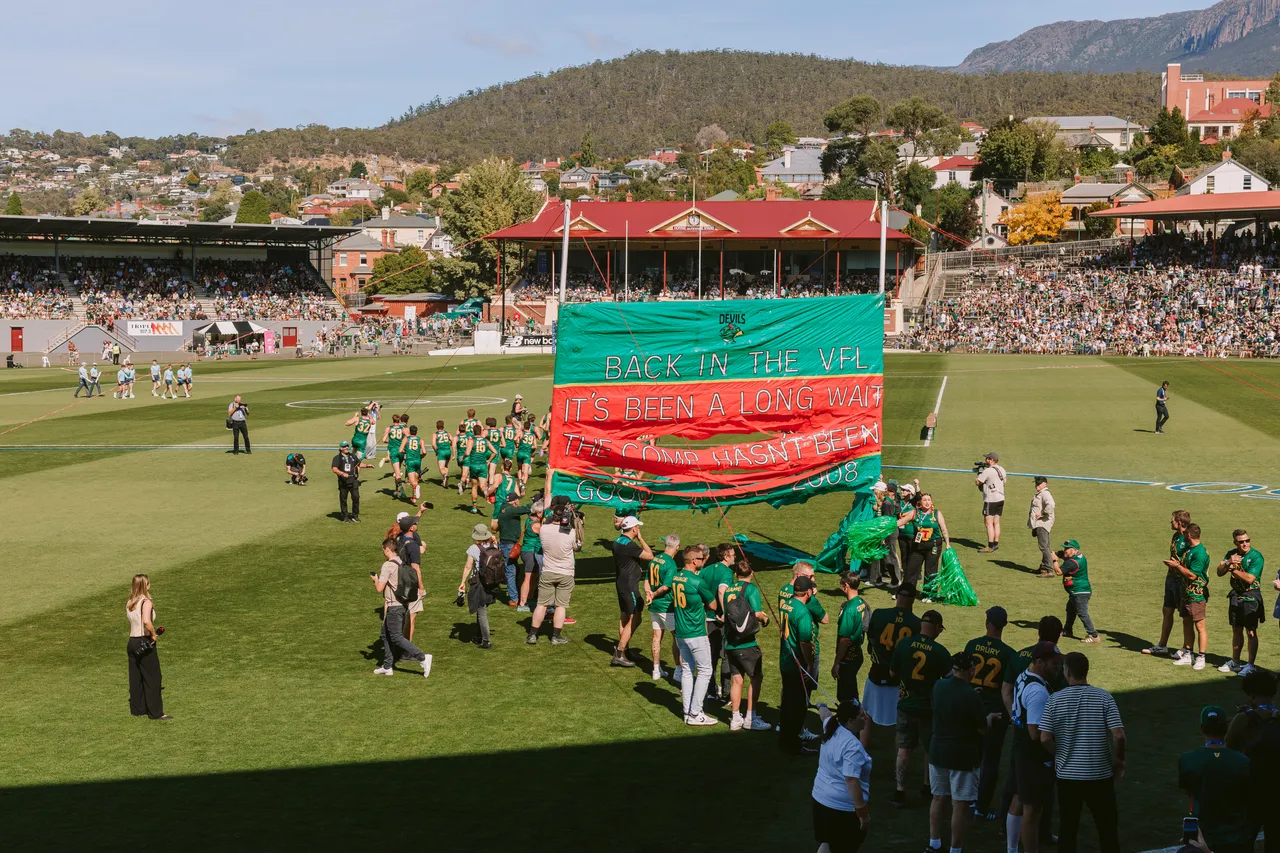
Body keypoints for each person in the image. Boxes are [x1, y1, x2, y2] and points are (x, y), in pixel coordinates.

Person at [1039, 652, 1124, 853]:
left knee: (1068, 828)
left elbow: (1044, 738)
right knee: (1107, 828)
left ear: (1067, 672)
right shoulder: (1104, 697)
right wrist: (1119, 760)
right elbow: (1119, 736)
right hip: (1100, 775)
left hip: (1068, 776)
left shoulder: (1054, 700)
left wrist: (1059, 754)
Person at [928, 652, 994, 853]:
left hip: (938, 751)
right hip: (962, 755)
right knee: (960, 804)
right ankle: (955, 849)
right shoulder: (970, 695)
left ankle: (934, 843)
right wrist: (990, 717)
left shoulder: (938, 686)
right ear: (971, 670)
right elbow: (982, 728)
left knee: (938, 798)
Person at [888, 609, 950, 808]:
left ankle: (900, 790)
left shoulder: (904, 644)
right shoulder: (940, 651)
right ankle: (927, 786)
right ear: (937, 627)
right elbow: (949, 680)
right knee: (930, 749)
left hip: (906, 705)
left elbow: (892, 673)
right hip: (928, 709)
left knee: (903, 750)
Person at [1006, 642, 1063, 853]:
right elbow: (1036, 734)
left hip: (1021, 748)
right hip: (1034, 757)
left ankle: (1012, 849)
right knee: (1032, 810)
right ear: (1040, 662)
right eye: (1054, 663)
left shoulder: (1024, 675)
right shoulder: (1038, 691)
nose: (1058, 667)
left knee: (1018, 799)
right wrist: (1058, 752)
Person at [1178, 705, 1252, 853]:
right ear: (1225, 728)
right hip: (1236, 837)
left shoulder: (1187, 760)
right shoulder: (1243, 761)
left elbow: (1189, 791)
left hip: (1203, 838)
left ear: (1202, 728)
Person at [965, 605, 1016, 821]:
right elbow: (1009, 687)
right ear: (1004, 625)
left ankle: (965, 799)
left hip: (971, 707)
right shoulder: (1009, 654)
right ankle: (981, 806)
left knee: (970, 757)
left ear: (987, 623)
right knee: (991, 761)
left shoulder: (972, 645)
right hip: (996, 712)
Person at [1225, 668, 1280, 853]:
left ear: (1252, 695)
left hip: (1250, 791)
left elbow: (1228, 752)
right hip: (1276, 792)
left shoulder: (1243, 719)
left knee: (1243, 841)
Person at [864, 585, 922, 750]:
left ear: (896, 595)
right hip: (900, 678)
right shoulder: (916, 623)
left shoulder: (879, 614)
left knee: (866, 715)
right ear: (913, 599)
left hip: (877, 672)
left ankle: (861, 751)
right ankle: (899, 760)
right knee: (900, 722)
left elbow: (871, 640)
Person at [811, 700, 872, 853]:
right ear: (851, 721)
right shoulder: (853, 746)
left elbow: (825, 715)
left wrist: (821, 706)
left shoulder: (831, 726)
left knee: (828, 842)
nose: (866, 717)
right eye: (861, 715)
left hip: (820, 800)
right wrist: (862, 814)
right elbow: (851, 780)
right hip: (841, 810)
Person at [671, 545, 719, 726]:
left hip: (681, 631)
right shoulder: (696, 581)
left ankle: (687, 711)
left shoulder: (676, 577)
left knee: (687, 669)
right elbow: (713, 605)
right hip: (696, 631)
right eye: (700, 558)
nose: (703, 560)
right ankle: (695, 712)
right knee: (705, 670)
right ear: (693, 561)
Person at [370, 537, 432, 678]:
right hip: (403, 604)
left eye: (383, 549)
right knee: (385, 635)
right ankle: (387, 666)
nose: (383, 552)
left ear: (387, 549)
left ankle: (423, 657)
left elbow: (379, 588)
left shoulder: (387, 565)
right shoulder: (400, 561)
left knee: (396, 637)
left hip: (394, 606)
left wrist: (375, 580)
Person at [724, 559, 771, 731]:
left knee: (736, 680)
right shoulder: (751, 589)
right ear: (752, 573)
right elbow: (757, 613)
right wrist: (765, 619)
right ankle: (751, 717)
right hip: (746, 643)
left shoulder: (728, 590)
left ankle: (735, 718)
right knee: (756, 677)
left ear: (736, 574)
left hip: (730, 642)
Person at [527, 499, 576, 645]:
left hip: (548, 570)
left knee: (541, 604)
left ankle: (532, 635)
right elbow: (577, 546)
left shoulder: (544, 529)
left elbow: (547, 523)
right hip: (565, 572)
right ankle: (556, 636)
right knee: (561, 606)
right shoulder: (571, 532)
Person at [1217, 528, 1264, 675]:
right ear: (1235, 543)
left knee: (1251, 631)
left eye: (1247, 540)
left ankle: (1250, 665)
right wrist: (1228, 562)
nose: (1245, 544)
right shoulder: (1232, 554)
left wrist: (1233, 570)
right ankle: (1235, 662)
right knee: (1236, 630)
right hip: (1236, 596)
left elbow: (1250, 578)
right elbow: (1219, 572)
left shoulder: (1256, 556)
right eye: (1241, 541)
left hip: (1251, 596)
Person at [779, 575, 818, 750]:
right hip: (797, 664)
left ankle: (785, 738)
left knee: (787, 701)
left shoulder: (786, 604)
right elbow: (804, 641)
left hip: (785, 659)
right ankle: (793, 743)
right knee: (797, 705)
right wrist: (809, 663)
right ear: (808, 592)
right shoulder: (803, 612)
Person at [1146, 510, 1192, 657]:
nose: (1170, 522)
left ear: (1180, 522)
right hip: (1171, 578)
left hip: (1182, 581)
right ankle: (1162, 645)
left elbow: (1192, 558)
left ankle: (1186, 649)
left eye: (1173, 520)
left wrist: (1179, 566)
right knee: (1167, 610)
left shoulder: (1189, 537)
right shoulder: (1176, 536)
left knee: (1185, 616)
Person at [609, 516, 653, 667]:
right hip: (630, 586)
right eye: (637, 527)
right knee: (635, 618)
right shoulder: (630, 546)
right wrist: (641, 538)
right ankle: (619, 653)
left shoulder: (617, 542)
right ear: (634, 529)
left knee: (624, 616)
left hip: (621, 583)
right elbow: (650, 555)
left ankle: (625, 650)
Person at [126, 574, 170, 721]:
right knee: (153, 677)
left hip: (132, 642)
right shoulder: (146, 602)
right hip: (144, 641)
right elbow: (146, 621)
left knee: (136, 676)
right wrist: (153, 634)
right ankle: (156, 712)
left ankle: (138, 709)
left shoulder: (129, 602)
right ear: (146, 585)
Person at [1168, 522, 1211, 670]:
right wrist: (1177, 563)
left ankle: (1201, 657)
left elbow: (1192, 575)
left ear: (1189, 535)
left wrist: (1177, 566)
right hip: (1186, 593)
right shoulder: (1190, 550)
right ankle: (1188, 653)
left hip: (1196, 595)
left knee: (1200, 626)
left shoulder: (1199, 553)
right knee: (1186, 622)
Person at [702, 542, 738, 701]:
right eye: (733, 554)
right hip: (719, 621)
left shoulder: (707, 569)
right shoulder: (727, 573)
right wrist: (724, 614)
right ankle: (726, 693)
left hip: (706, 618)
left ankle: (710, 691)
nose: (735, 557)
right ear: (725, 556)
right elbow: (722, 591)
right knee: (725, 656)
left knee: (710, 657)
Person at [645, 533, 682, 681]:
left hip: (654, 606)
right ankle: (678, 670)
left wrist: (648, 594)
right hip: (666, 606)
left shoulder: (654, 559)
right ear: (677, 547)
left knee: (656, 637)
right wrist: (654, 595)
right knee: (677, 638)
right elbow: (666, 586)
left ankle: (656, 669)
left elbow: (646, 579)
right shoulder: (671, 563)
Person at [831, 571, 871, 704]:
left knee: (846, 696)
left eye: (841, 583)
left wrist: (837, 662)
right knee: (851, 690)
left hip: (847, 658)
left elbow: (845, 639)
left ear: (846, 585)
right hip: (857, 654)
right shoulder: (862, 602)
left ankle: (854, 715)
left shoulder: (849, 609)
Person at [459, 523, 499, 649]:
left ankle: (486, 641)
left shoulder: (474, 548)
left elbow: (468, 566)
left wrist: (462, 582)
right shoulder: (494, 546)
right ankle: (480, 636)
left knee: (481, 611)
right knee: (482, 608)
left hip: (479, 582)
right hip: (492, 582)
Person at [901, 493, 950, 593]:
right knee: (911, 568)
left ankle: (929, 594)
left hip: (933, 545)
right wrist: (886, 526)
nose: (927, 502)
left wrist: (948, 544)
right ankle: (906, 591)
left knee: (931, 570)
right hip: (918, 546)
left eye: (929, 500)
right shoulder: (914, 512)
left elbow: (944, 529)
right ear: (920, 502)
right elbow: (901, 522)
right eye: (924, 500)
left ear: (932, 502)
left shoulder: (936, 513)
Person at [491, 491, 530, 607]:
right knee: (511, 571)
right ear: (515, 501)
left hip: (506, 543)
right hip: (509, 545)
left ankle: (515, 594)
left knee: (514, 569)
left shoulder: (503, 509)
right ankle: (514, 598)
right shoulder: (511, 510)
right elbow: (527, 508)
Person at [1057, 540, 1100, 643]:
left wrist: (1054, 560)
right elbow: (1067, 558)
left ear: (1074, 550)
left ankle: (1094, 636)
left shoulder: (1072, 562)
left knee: (1082, 613)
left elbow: (1058, 571)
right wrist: (1060, 554)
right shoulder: (1080, 556)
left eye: (1067, 549)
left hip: (1079, 592)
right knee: (1070, 609)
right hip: (1079, 591)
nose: (1065, 550)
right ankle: (1067, 630)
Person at [516, 497, 545, 613]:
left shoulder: (529, 519)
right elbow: (546, 533)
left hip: (528, 551)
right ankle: (522, 603)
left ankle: (529, 598)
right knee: (528, 578)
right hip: (530, 552)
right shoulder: (536, 525)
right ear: (538, 513)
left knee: (534, 576)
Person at [976, 452, 1007, 553]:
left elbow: (978, 482)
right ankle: (996, 544)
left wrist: (979, 474)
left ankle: (990, 546)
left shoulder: (988, 471)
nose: (985, 460)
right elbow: (1004, 482)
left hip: (991, 499)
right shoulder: (1002, 469)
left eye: (987, 459)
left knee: (988, 523)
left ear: (991, 460)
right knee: (996, 522)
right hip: (1000, 498)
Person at [1028, 476, 1056, 577]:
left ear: (1045, 484)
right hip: (1040, 524)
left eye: (1039, 483)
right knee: (1045, 546)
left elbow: (1051, 505)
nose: (1037, 485)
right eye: (1036, 483)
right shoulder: (1041, 493)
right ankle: (1044, 568)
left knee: (1044, 547)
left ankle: (1049, 569)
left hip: (1042, 524)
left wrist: (1043, 514)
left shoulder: (1045, 494)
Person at [331, 441, 361, 523]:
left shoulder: (353, 456)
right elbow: (334, 469)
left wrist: (367, 465)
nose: (346, 447)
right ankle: (345, 516)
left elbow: (358, 464)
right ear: (340, 448)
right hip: (343, 482)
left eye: (347, 446)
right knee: (343, 500)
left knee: (356, 498)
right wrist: (342, 473)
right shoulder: (337, 458)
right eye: (344, 446)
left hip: (353, 480)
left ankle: (355, 516)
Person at [400, 425, 424, 504]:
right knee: (416, 480)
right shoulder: (420, 439)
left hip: (410, 461)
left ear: (410, 431)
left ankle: (416, 487)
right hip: (418, 461)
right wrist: (421, 457)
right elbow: (424, 452)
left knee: (412, 481)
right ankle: (414, 497)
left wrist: (407, 452)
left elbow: (400, 450)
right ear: (416, 431)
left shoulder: (406, 439)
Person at [431, 418, 454, 490]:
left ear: (437, 426)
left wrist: (436, 451)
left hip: (441, 451)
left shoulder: (435, 434)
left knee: (441, 468)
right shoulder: (447, 433)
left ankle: (445, 476)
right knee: (446, 466)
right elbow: (453, 440)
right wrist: (450, 444)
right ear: (443, 426)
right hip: (448, 451)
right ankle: (444, 482)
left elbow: (433, 444)